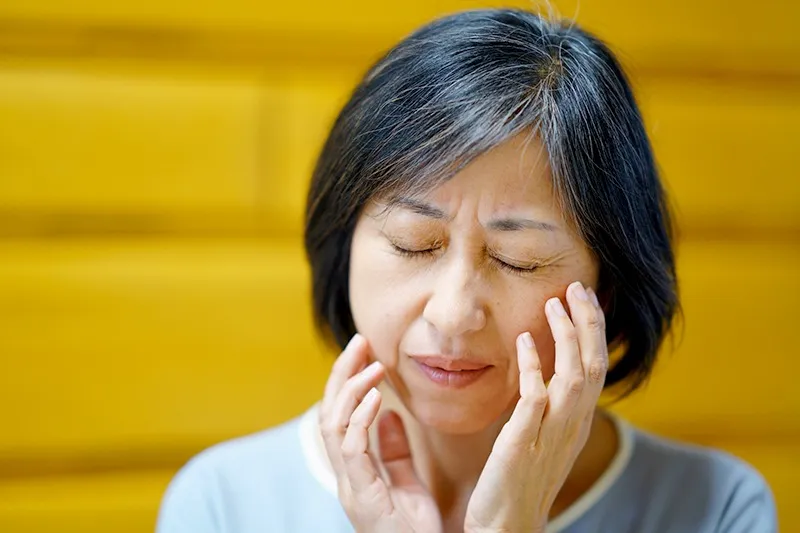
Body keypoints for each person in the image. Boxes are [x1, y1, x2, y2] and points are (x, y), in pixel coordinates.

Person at [156, 8, 777, 533]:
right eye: (414, 243)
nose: (453, 312)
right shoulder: (223, 503)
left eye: (517, 259)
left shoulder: (716, 508)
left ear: (606, 287)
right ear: (342, 245)